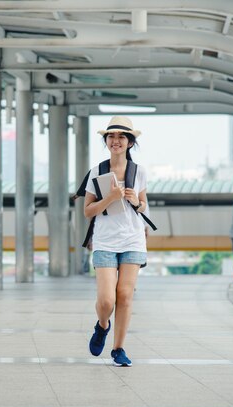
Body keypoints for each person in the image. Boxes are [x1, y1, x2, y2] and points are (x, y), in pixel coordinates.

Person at [84, 116, 147, 367]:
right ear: (106, 141)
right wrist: (110, 197)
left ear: (130, 142)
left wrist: (135, 202)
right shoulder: (96, 172)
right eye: (111, 136)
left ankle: (118, 348)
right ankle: (102, 325)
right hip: (105, 242)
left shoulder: (139, 172)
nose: (116, 141)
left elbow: (143, 206)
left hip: (132, 240)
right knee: (107, 300)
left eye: (122, 137)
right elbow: (88, 211)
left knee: (125, 295)